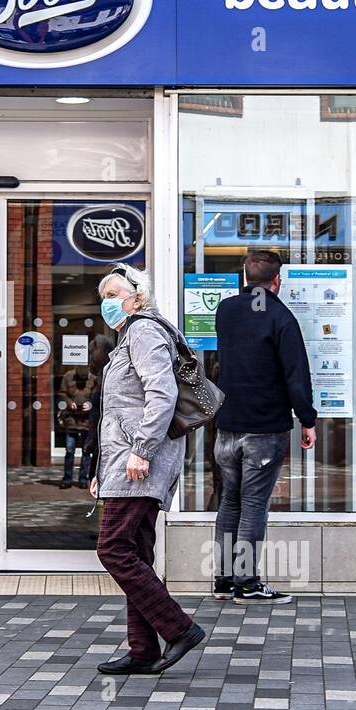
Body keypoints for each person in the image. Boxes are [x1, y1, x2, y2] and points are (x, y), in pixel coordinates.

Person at [91, 264, 206, 675]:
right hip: (125, 459)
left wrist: (141, 450)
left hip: (141, 460)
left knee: (113, 548)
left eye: (115, 293)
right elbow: (118, 410)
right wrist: (100, 469)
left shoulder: (143, 330)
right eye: (103, 295)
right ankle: (143, 649)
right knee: (135, 550)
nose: (108, 301)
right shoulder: (130, 336)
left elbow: (162, 394)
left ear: (137, 298)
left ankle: (179, 628)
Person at [211, 250, 317, 605]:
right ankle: (247, 582)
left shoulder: (225, 311)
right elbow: (296, 375)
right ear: (277, 281)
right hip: (263, 427)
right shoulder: (281, 317)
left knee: (231, 500)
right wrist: (308, 419)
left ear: (244, 276)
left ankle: (225, 579)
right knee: (254, 503)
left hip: (227, 426)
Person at [57, 367, 96, 488]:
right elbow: (61, 393)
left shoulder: (93, 379)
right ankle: (67, 479)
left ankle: (83, 479)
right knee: (69, 451)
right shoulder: (68, 376)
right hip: (71, 419)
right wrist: (69, 403)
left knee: (86, 452)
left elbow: (97, 396)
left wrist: (90, 404)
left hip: (86, 421)